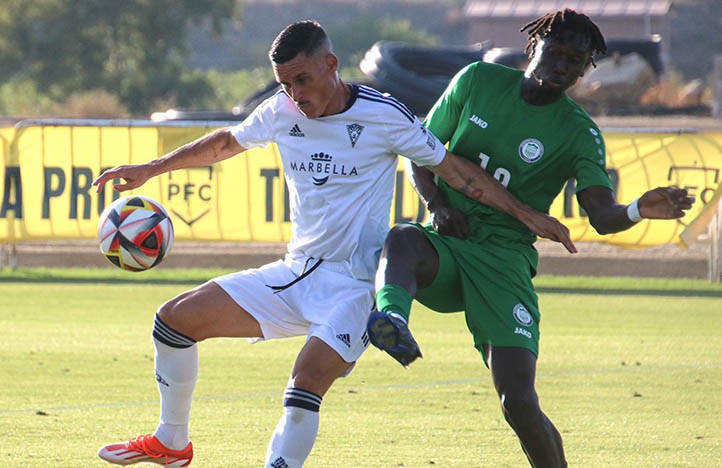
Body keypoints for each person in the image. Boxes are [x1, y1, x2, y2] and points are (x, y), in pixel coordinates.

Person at [92, 20, 575, 468]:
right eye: (284, 83)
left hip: (357, 286)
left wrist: (528, 215)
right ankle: (171, 443)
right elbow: (224, 143)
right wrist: (149, 170)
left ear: (330, 65)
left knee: (303, 387)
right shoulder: (280, 111)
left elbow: (457, 173)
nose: (294, 94)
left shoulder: (384, 115)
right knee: (173, 321)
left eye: (302, 80)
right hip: (295, 271)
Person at [366, 9, 695, 468]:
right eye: (554, 52)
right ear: (532, 47)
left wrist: (639, 208)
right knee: (401, 239)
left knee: (517, 402)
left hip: (504, 261)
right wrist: (438, 206)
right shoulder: (477, 81)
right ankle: (391, 323)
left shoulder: (579, 133)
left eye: (574, 59)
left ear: (585, 69)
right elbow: (420, 154)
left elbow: (601, 216)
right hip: (449, 240)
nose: (561, 64)